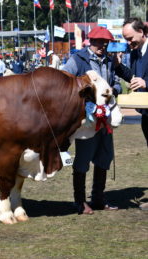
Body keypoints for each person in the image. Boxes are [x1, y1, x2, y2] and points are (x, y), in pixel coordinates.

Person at [62, 26, 122, 215]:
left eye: (106, 43)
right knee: (82, 160)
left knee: (105, 157)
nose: (102, 46)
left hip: (107, 118)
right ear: (90, 41)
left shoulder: (110, 61)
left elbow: (116, 81)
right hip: (88, 120)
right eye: (98, 42)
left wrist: (115, 90)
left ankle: (98, 198)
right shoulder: (77, 59)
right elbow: (65, 80)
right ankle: (79, 202)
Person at [114, 17, 148, 211]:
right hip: (146, 114)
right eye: (126, 39)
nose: (128, 43)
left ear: (142, 32)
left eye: (130, 38)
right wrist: (118, 67)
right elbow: (134, 79)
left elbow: (143, 82)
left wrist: (146, 84)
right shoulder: (135, 54)